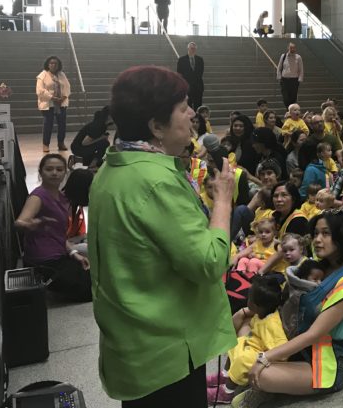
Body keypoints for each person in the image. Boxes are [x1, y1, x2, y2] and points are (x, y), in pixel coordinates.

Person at [88, 65, 237, 407]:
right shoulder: (156, 181)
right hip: (167, 347)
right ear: (156, 126)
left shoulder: (115, 167)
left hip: (136, 341)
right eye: (183, 108)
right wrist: (223, 202)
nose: (192, 115)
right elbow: (209, 262)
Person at [234, 210, 343, 407]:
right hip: (300, 344)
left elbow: (314, 335)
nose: (317, 239)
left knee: (261, 372)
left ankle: (261, 386)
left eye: (325, 233)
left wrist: (265, 357)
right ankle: (245, 377)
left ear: (342, 237)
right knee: (246, 322)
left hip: (330, 361)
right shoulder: (318, 267)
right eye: (315, 233)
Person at [15, 154, 92, 301]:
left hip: (59, 254)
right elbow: (20, 222)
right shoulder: (37, 196)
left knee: (94, 278)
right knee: (91, 289)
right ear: (41, 172)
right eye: (49, 169)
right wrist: (33, 223)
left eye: (59, 169)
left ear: (65, 173)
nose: (54, 173)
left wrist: (74, 253)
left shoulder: (62, 198)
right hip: (44, 260)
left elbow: (59, 235)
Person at [207, 276, 288, 404]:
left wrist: (263, 359)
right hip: (253, 343)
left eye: (249, 298)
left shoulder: (272, 324)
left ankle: (227, 391)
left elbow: (281, 350)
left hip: (261, 354)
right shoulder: (261, 313)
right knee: (235, 343)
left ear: (255, 305)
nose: (247, 299)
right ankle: (225, 374)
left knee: (242, 359)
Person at [36, 55, 71, 153]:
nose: (53, 65)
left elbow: (67, 87)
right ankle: (45, 144)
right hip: (48, 104)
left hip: (61, 103)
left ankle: (61, 143)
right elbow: (40, 90)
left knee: (62, 124)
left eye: (56, 63)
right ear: (48, 64)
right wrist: (52, 97)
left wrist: (63, 97)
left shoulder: (62, 75)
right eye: (51, 63)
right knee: (48, 125)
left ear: (58, 65)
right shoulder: (42, 75)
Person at [176, 42, 204, 110]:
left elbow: (201, 72)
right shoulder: (181, 60)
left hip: (198, 87)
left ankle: (197, 117)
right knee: (188, 106)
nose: (193, 50)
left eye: (194, 48)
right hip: (187, 87)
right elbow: (179, 73)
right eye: (191, 48)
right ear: (188, 48)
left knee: (198, 106)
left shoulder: (200, 59)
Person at [277, 42, 304, 108]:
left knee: (293, 97)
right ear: (288, 48)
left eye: (294, 48)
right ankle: (288, 109)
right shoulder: (283, 56)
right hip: (284, 80)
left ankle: (291, 110)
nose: (292, 49)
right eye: (291, 48)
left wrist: (300, 79)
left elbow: (301, 69)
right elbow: (279, 67)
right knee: (285, 97)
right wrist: (279, 77)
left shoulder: (298, 57)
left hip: (294, 80)